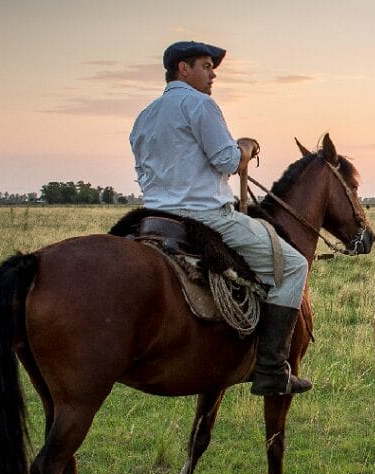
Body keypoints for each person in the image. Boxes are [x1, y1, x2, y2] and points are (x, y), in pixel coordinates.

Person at [130, 41, 312, 396]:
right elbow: (228, 162)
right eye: (206, 66)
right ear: (184, 69)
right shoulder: (200, 105)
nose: (213, 74)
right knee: (293, 266)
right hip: (204, 217)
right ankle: (272, 368)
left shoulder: (145, 115)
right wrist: (246, 147)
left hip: (153, 218)